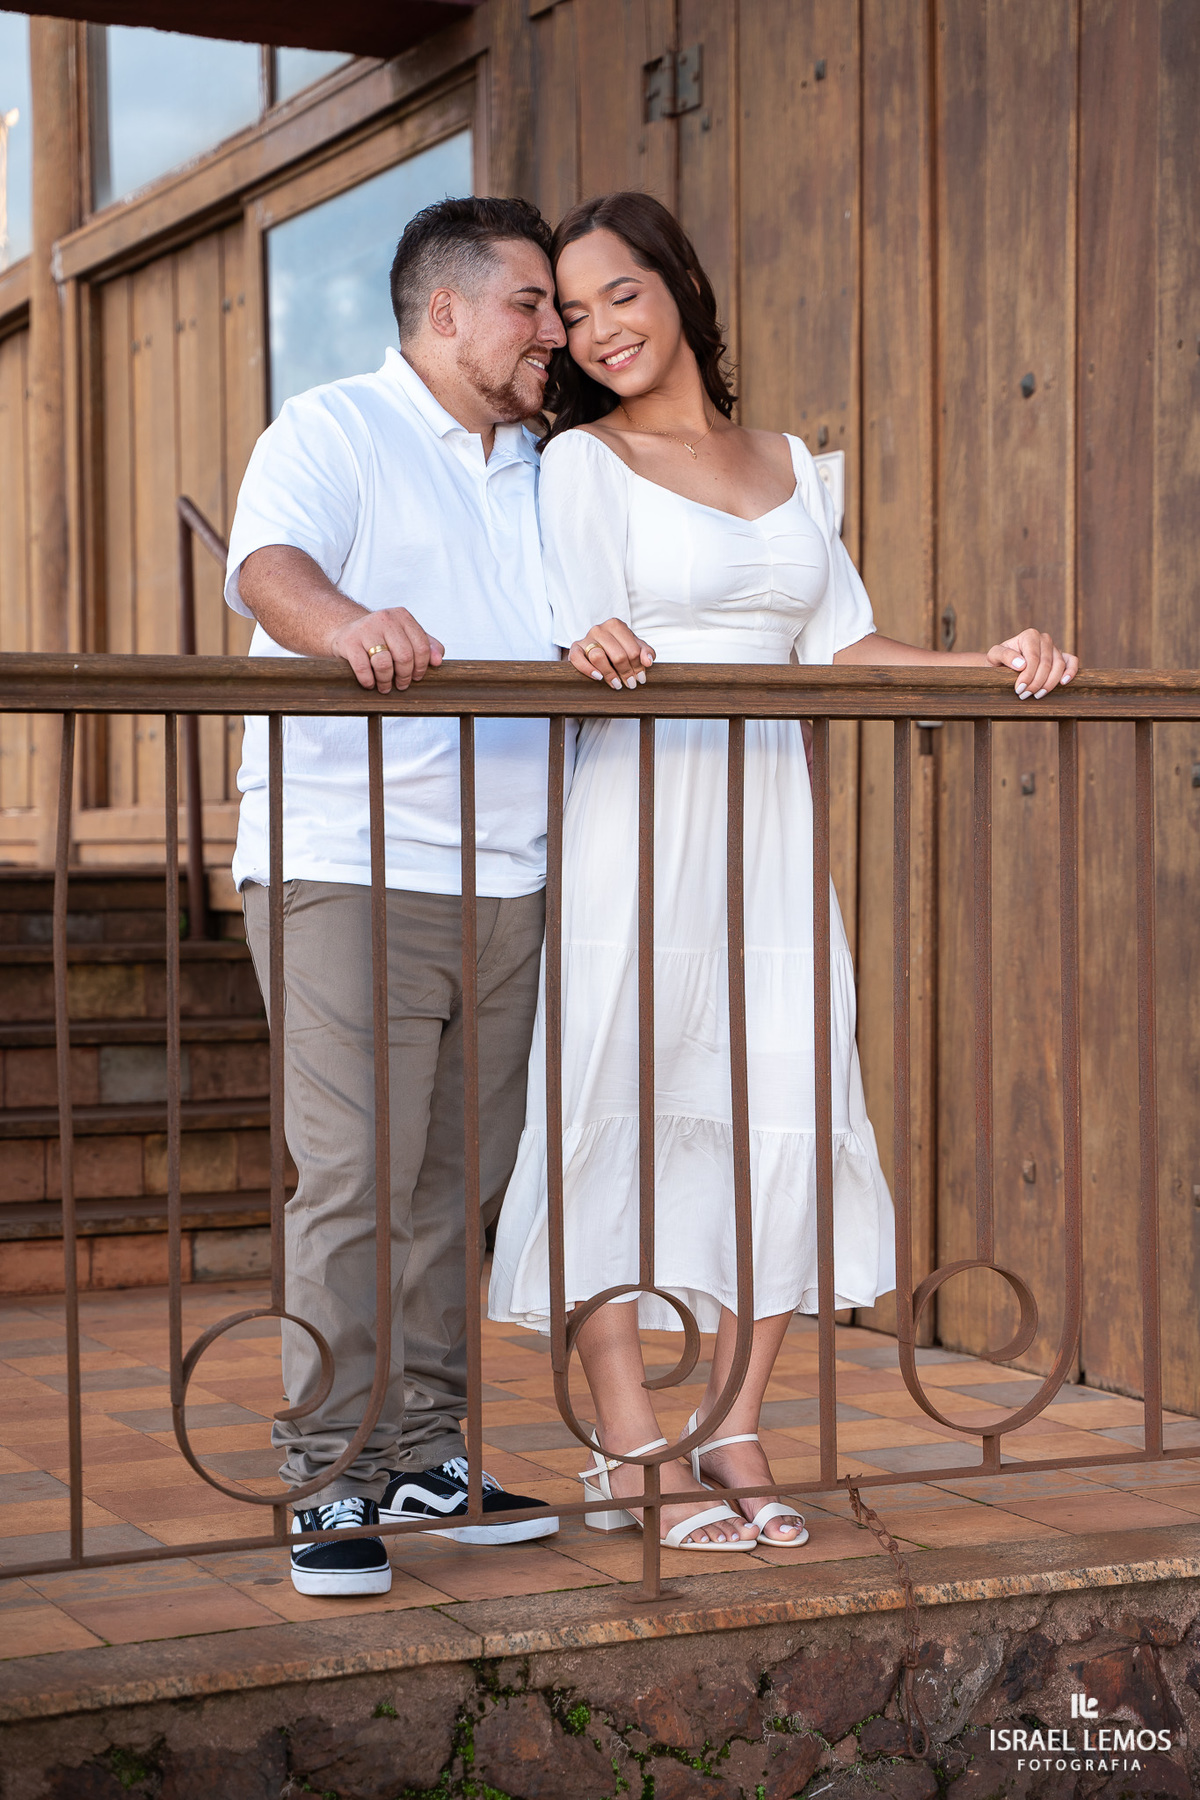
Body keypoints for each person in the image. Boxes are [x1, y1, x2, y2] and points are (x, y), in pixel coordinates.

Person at [489, 191, 1078, 1551]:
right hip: (640, 814)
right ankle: (629, 1444)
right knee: (614, 1096)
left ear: (681, 289)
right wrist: (583, 643)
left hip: (769, 827)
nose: (598, 329)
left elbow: (842, 646)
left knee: (786, 1101)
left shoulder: (794, 464)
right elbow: (576, 627)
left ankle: (734, 1427)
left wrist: (987, 661)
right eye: (571, 313)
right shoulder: (579, 464)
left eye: (621, 293)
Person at [225, 197, 569, 1596]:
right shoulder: (335, 427)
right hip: (350, 863)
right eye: (530, 305)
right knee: (357, 1180)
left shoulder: (547, 463)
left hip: (511, 871)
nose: (555, 332)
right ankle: (328, 1476)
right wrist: (348, 624)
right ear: (444, 311)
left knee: (453, 1190)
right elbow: (268, 570)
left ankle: (425, 1455)